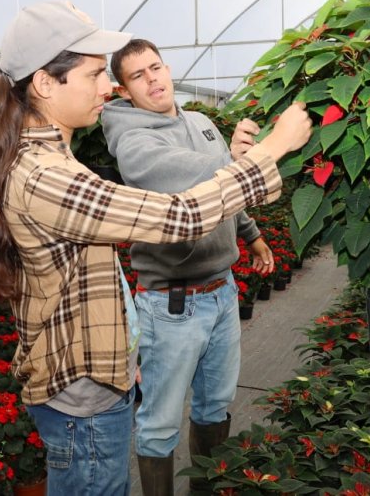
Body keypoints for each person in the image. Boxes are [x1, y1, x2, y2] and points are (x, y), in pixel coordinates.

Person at [0, 0, 311, 496]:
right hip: (82, 401)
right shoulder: (45, 175)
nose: (107, 87)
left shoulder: (51, 156)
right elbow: (181, 216)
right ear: (45, 83)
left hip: (94, 382)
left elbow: (89, 272)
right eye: (94, 75)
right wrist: (272, 149)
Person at [101, 39, 276, 494]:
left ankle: (207, 488)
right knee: (159, 422)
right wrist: (231, 161)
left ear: (167, 67)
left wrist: (251, 234)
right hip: (171, 304)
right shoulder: (132, 138)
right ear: (123, 91)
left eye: (155, 67)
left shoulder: (199, 122)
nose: (152, 79)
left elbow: (229, 189)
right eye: (138, 76)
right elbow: (180, 174)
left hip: (221, 291)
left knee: (215, 405)